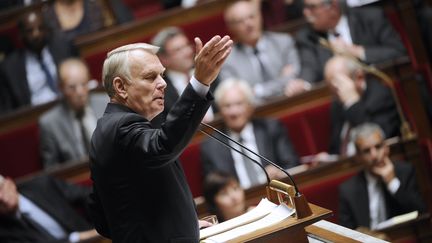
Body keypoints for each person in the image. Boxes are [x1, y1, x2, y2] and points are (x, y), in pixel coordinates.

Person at [88, 35, 233, 242]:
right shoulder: (121, 126)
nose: (162, 84)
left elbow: (101, 214)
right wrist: (199, 83)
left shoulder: (110, 128)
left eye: (162, 75)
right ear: (120, 87)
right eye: (150, 77)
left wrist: (178, 228)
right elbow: (163, 146)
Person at [200, 78, 299, 189]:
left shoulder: (270, 129)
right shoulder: (211, 146)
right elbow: (213, 189)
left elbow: (293, 164)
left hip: (276, 194)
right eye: (227, 106)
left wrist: (279, 173)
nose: (234, 112)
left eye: (239, 104)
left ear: (250, 106)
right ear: (220, 110)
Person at [338, 123, 426, 230]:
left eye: (378, 147)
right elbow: (346, 234)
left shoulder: (405, 172)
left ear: (386, 148)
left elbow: (421, 214)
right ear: (358, 157)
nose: (374, 155)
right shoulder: (348, 190)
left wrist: (392, 182)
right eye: (366, 151)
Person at [296, 0, 406, 83]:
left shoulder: (370, 18)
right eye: (305, 7)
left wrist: (358, 51)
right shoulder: (307, 36)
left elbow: (398, 51)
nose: (306, 13)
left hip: (380, 86)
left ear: (333, 6)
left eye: (312, 7)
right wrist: (303, 83)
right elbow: (309, 67)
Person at [220, 0, 306, 103]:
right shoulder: (228, 60)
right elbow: (238, 98)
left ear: (260, 16)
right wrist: (283, 82)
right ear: (230, 28)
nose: (248, 24)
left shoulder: (283, 42)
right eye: (240, 21)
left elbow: (295, 75)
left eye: (251, 17)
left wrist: (257, 91)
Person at [0, 10, 76, 114]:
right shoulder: (10, 67)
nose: (36, 34)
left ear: (47, 30)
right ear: (21, 35)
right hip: (35, 116)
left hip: (68, 107)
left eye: (40, 29)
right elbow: (9, 109)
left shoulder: (63, 48)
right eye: (30, 31)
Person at [324, 55, 400, 156]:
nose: (334, 94)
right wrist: (330, 158)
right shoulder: (337, 104)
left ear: (359, 77)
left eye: (338, 86)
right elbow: (337, 147)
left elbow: (374, 140)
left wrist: (353, 104)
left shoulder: (380, 97)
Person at [0, 174, 100, 242]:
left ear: (10, 183)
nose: (1, 197)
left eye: (1, 188)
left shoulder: (42, 185)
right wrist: (78, 238)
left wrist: (102, 225)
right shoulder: (3, 232)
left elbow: (86, 195)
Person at [39, 58, 98, 169]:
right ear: (60, 87)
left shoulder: (106, 103)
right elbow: (52, 171)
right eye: (72, 87)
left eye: (84, 84)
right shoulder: (49, 123)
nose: (80, 92)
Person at [151, 26, 216, 125]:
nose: (188, 52)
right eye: (178, 50)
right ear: (164, 59)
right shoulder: (160, 91)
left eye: (187, 45)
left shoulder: (209, 72)